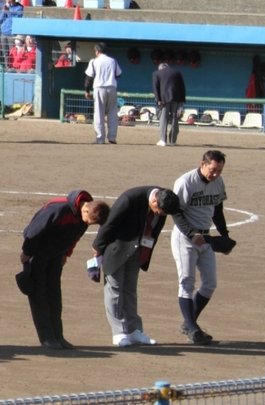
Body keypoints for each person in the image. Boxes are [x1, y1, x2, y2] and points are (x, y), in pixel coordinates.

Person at [90, 186, 182, 348]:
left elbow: (154, 231)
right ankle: (119, 332)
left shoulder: (164, 199)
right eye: (159, 211)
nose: (159, 215)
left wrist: (145, 253)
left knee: (130, 290)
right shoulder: (129, 199)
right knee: (114, 289)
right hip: (116, 248)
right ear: (154, 201)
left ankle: (134, 330)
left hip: (137, 250)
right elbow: (109, 224)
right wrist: (98, 248)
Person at [19, 191, 108, 349]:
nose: (88, 224)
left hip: (56, 254)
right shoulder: (58, 209)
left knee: (54, 294)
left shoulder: (85, 216)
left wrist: (66, 253)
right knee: (39, 294)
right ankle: (46, 338)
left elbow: (75, 236)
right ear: (86, 209)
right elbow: (33, 230)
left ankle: (58, 336)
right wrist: (27, 251)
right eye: (89, 221)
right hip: (37, 253)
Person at [171, 151, 230, 346]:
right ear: (202, 164)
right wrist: (190, 234)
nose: (216, 174)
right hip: (185, 238)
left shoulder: (218, 182)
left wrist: (224, 235)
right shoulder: (185, 182)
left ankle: (189, 324)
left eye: (219, 171)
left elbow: (218, 211)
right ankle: (193, 329)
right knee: (187, 283)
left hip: (206, 238)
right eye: (213, 170)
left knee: (210, 283)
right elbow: (176, 212)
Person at [84, 43, 122, 145]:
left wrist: (87, 91)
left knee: (99, 113)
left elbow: (88, 78)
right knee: (112, 113)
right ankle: (112, 137)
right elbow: (119, 74)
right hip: (112, 88)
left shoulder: (94, 61)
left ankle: (100, 138)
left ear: (97, 51)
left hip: (99, 88)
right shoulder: (113, 61)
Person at [151, 61, 186, 146]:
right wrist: (182, 101)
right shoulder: (177, 73)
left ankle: (163, 140)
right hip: (176, 99)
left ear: (160, 68)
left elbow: (156, 88)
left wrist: (158, 99)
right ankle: (173, 141)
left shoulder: (156, 73)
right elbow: (182, 87)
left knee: (163, 119)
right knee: (175, 119)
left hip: (164, 100)